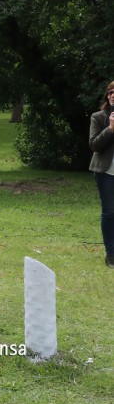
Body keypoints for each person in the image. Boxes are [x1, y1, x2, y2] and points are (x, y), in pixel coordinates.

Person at [88, 81, 114, 269]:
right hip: (106, 172)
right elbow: (94, 145)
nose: (113, 95)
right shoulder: (99, 117)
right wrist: (111, 129)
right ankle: (111, 254)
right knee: (110, 212)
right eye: (110, 92)